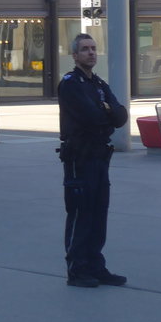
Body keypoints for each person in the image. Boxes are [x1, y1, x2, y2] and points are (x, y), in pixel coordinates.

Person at [57, 33, 129, 288]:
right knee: (81, 212)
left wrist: (108, 111)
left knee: (99, 213)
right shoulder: (70, 84)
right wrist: (106, 111)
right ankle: (77, 270)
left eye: (93, 48)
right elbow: (91, 117)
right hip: (79, 157)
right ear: (74, 55)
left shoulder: (98, 83)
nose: (91, 53)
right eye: (85, 49)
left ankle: (96, 267)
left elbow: (121, 116)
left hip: (100, 156)